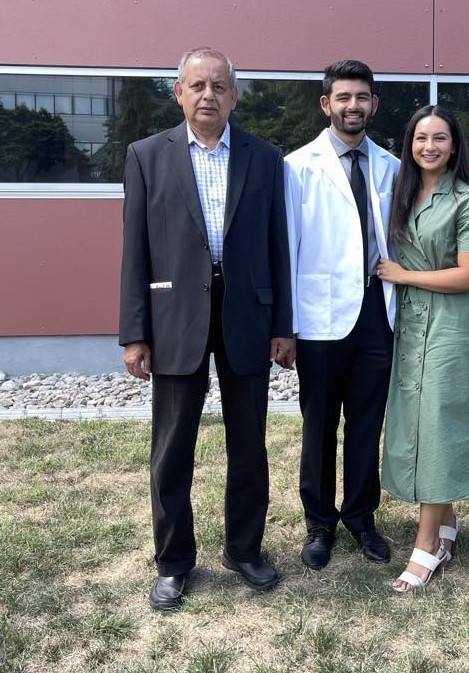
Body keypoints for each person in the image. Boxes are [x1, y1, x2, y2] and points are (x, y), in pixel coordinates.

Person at [119, 47, 294, 610]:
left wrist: (283, 324)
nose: (208, 95)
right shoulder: (147, 156)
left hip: (248, 317)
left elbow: (277, 246)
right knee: (172, 449)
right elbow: (136, 252)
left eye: (219, 86)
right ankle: (173, 562)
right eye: (197, 85)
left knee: (249, 446)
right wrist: (134, 332)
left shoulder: (265, 157)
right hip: (174, 320)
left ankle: (244, 550)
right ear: (179, 92)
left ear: (234, 95)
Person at [284, 60, 400, 570]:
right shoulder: (297, 166)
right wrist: (284, 326)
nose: (353, 106)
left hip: (376, 311)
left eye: (363, 97)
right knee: (319, 424)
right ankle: (319, 523)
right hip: (320, 315)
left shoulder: (392, 165)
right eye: (343, 97)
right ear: (326, 103)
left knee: (366, 422)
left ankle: (361, 517)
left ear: (374, 104)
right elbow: (287, 246)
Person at [377, 105, 469, 592]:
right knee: (416, 424)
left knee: (441, 426)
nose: (429, 146)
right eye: (421, 137)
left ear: (454, 145)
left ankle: (426, 550)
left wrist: (404, 275)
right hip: (411, 322)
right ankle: (445, 528)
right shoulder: (401, 191)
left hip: (451, 326)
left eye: (439, 138)